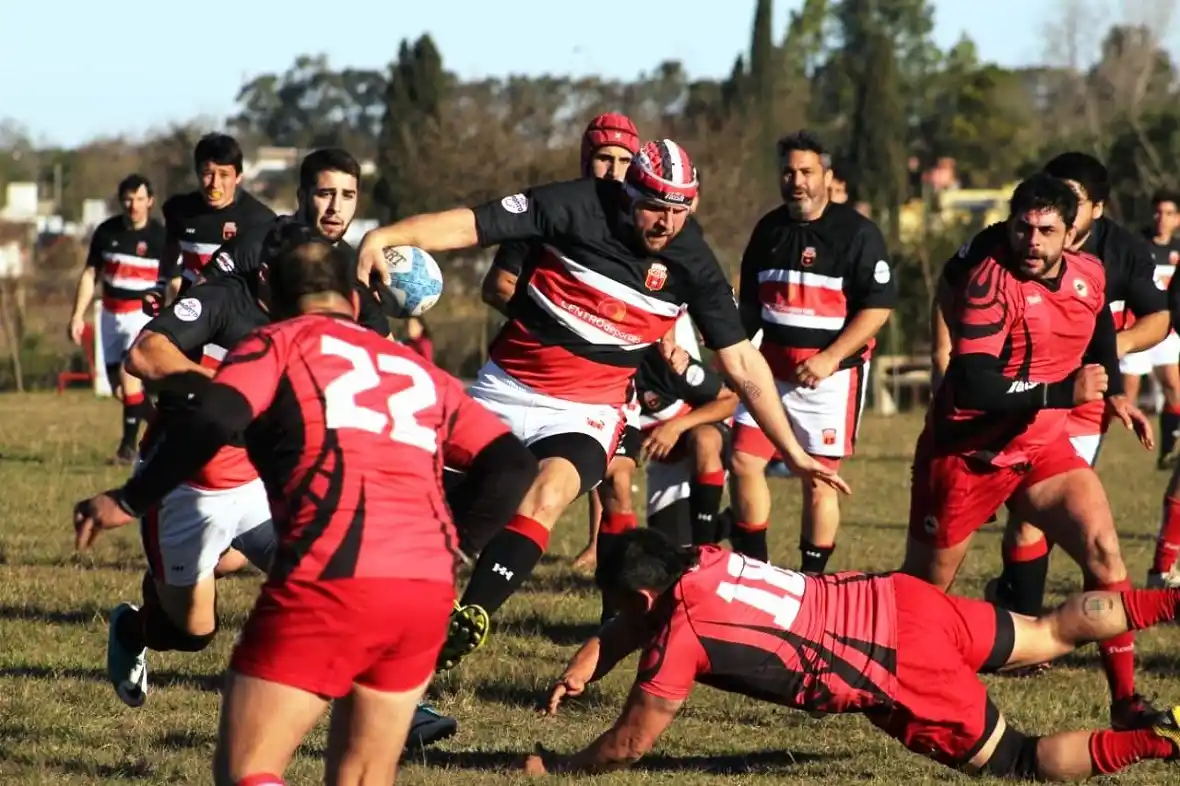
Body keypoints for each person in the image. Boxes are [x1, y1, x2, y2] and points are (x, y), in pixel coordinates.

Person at [355, 137, 850, 673]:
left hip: (586, 411)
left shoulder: (692, 261)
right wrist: (389, 234)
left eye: (679, 211)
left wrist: (794, 452)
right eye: (654, 208)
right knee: (429, 506)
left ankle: (468, 616)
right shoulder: (577, 204)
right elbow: (472, 226)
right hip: (505, 386)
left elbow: (743, 366)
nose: (665, 223)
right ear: (628, 195)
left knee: (550, 490)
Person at [73, 239, 539, 786]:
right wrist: (456, 545)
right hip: (424, 585)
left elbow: (215, 415)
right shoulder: (416, 369)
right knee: (364, 775)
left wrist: (128, 499)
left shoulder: (277, 341)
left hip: (331, 568)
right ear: (353, 297)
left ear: (275, 294)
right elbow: (512, 465)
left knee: (251, 770)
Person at [524, 528, 1180, 781]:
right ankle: (1170, 604)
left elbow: (629, 744)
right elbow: (650, 609)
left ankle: (1160, 740)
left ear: (640, 594)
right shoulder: (701, 556)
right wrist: (594, 654)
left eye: (617, 604)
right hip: (898, 599)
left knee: (1021, 760)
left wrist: (562, 766)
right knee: (1050, 630)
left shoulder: (680, 639)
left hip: (889, 663)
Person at [905, 172, 1157, 731]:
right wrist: (1065, 393)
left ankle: (1127, 704)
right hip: (968, 454)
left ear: (1072, 235)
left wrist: (1114, 391)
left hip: (1040, 448)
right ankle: (864, 671)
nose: (1032, 242)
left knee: (1104, 554)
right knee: (918, 600)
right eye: (1023, 228)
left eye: (1046, 231)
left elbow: (1098, 335)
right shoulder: (988, 284)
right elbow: (974, 385)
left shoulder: (1090, 275)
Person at [480, 112, 642, 575]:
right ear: (584, 160)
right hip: (533, 371)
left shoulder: (643, 226)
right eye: (603, 159)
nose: (612, 170)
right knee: (507, 481)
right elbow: (497, 285)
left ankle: (610, 579)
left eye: (622, 161)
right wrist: (555, 323)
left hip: (609, 377)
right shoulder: (550, 211)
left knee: (616, 477)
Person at [729, 130, 895, 571]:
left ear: (826, 175)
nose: (796, 181)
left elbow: (877, 310)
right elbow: (750, 307)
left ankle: (812, 582)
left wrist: (829, 358)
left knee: (819, 481)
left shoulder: (857, 233)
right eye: (788, 172)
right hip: (770, 375)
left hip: (831, 382)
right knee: (743, 458)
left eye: (806, 171)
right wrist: (732, 349)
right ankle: (753, 571)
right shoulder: (768, 229)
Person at [67, 174, 167, 464]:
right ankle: (166, 428)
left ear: (150, 201)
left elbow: (172, 281)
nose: (133, 205)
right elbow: (90, 275)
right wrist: (77, 316)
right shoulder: (107, 233)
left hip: (141, 315)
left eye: (139, 199)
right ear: (120, 201)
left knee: (130, 377)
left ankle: (127, 450)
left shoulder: (161, 237)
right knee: (121, 391)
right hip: (110, 317)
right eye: (128, 199)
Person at [157, 133, 275, 303]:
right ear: (197, 172)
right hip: (189, 310)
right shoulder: (178, 210)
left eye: (224, 175)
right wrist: (161, 287)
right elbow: (170, 250)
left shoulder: (261, 219)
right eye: (208, 173)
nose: (215, 184)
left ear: (238, 177)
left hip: (236, 315)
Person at [1122, 189, 1180, 468]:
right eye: (1158, 212)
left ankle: (1166, 452)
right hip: (1139, 326)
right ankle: (1111, 448)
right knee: (1127, 393)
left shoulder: (1178, 251)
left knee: (1173, 387)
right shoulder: (1136, 245)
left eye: (1169, 213)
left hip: (1168, 330)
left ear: (1178, 219)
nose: (1162, 218)